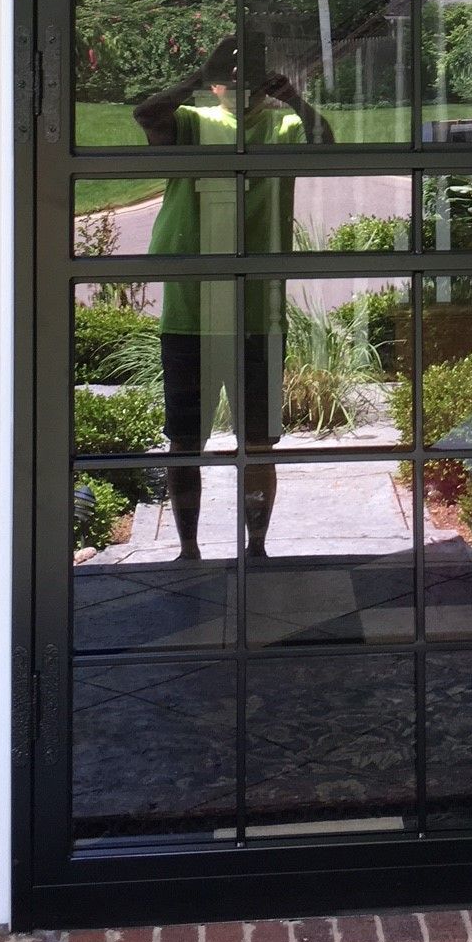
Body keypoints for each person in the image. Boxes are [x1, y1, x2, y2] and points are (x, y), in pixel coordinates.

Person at [133, 34, 333, 558]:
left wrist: (292, 97)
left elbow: (327, 147)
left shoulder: (285, 125)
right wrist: (196, 80)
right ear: (214, 81)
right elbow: (148, 116)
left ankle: (258, 547)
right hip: (190, 306)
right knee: (185, 440)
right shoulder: (195, 123)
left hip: (256, 308)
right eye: (228, 78)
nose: (239, 90)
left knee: (258, 443)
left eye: (253, 79)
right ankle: (189, 547)